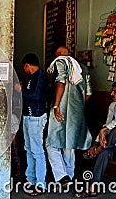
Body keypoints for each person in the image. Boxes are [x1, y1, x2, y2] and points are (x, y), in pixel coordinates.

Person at [46, 46, 93, 185]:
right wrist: (77, 106)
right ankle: (70, 175)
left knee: (50, 143)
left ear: (58, 55)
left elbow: (61, 82)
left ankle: (61, 176)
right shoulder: (82, 68)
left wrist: (56, 105)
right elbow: (89, 93)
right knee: (69, 143)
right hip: (76, 112)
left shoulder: (60, 63)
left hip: (59, 109)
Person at [20, 53, 49, 195]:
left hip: (36, 117)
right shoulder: (33, 77)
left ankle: (41, 184)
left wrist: (21, 90)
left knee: (37, 151)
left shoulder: (40, 76)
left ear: (27, 65)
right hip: (29, 117)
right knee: (29, 149)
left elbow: (36, 97)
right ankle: (30, 179)